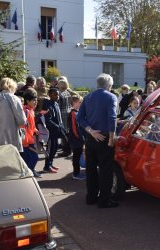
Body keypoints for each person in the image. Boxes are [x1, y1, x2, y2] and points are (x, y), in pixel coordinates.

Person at [77, 73, 118, 208]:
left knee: (91, 169)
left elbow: (80, 117)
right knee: (105, 170)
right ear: (109, 85)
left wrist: (90, 130)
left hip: (91, 137)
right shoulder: (111, 97)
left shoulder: (88, 97)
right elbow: (112, 118)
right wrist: (111, 138)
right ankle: (104, 200)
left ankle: (91, 197)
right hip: (104, 137)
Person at [42, 87, 65, 173]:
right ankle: (46, 166)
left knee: (55, 148)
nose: (57, 96)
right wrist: (56, 126)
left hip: (56, 130)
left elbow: (59, 118)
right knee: (50, 148)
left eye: (58, 94)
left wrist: (60, 127)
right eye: (55, 94)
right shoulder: (47, 105)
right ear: (50, 95)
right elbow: (47, 120)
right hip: (51, 131)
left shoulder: (56, 104)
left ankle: (50, 164)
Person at [20, 89, 41, 178]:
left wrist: (36, 131)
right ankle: (30, 172)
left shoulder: (31, 110)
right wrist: (25, 141)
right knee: (34, 157)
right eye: (34, 101)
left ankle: (29, 171)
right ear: (28, 101)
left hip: (30, 139)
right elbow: (23, 127)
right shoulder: (26, 111)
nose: (36, 102)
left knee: (29, 158)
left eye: (36, 100)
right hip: (26, 141)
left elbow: (31, 126)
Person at [69, 95, 86, 180]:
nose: (81, 103)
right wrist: (79, 138)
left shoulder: (77, 112)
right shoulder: (73, 113)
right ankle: (76, 174)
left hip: (78, 138)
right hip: (76, 139)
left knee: (77, 155)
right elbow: (74, 128)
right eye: (79, 102)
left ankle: (77, 172)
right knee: (76, 156)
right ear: (74, 103)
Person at [57, 79, 72, 157]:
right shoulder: (68, 93)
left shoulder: (61, 95)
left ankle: (66, 150)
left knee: (64, 132)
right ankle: (69, 149)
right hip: (68, 112)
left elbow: (58, 106)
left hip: (62, 114)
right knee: (68, 132)